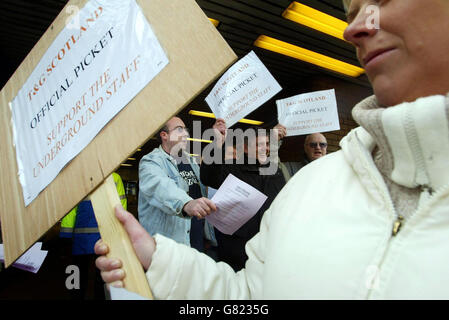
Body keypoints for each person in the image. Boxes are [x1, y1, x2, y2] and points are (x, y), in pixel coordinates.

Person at [95, 0, 449, 299]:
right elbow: (249, 296)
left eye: (381, 0)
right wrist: (161, 262)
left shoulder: (290, 177)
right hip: (214, 244)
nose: (354, 27)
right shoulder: (310, 185)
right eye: (350, 13)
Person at [199, 119, 286, 271]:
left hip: (269, 246)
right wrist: (217, 144)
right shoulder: (232, 168)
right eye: (259, 144)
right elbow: (208, 176)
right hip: (237, 251)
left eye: (267, 144)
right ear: (245, 148)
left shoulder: (275, 171)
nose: (265, 149)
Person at [137, 116, 216, 253]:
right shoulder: (151, 162)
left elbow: (206, 186)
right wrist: (186, 203)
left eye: (186, 130)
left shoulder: (191, 161)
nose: (186, 133)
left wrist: (218, 142)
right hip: (168, 249)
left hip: (196, 245)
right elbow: (161, 187)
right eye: (179, 130)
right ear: (164, 135)